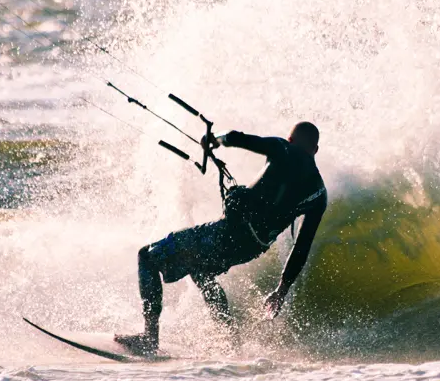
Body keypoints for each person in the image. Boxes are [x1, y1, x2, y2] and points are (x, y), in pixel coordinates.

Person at [115, 122, 328, 355]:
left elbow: (238, 138)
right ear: (315, 150)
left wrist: (214, 139)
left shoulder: (283, 148)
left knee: (147, 256)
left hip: (226, 234)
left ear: (290, 139)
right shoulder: (319, 193)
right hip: (250, 249)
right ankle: (230, 343)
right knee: (201, 271)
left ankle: (149, 338)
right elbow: (301, 247)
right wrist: (281, 290)